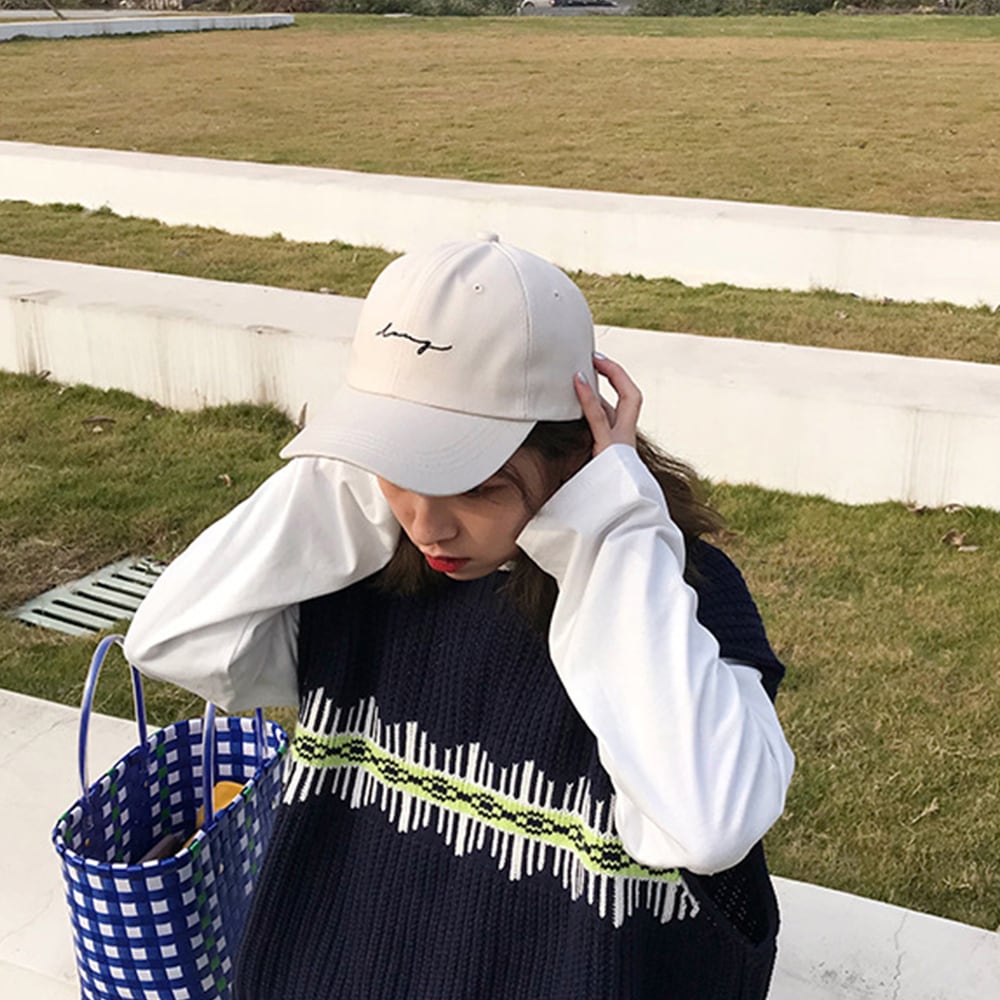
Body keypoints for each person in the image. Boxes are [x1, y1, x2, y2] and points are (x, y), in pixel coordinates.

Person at [124, 233, 794, 1000]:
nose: (427, 525)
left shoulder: (674, 598)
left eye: (476, 485)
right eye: (396, 474)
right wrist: (359, 461)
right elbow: (174, 637)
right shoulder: (366, 576)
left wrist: (615, 532)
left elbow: (709, 823)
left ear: (578, 453)